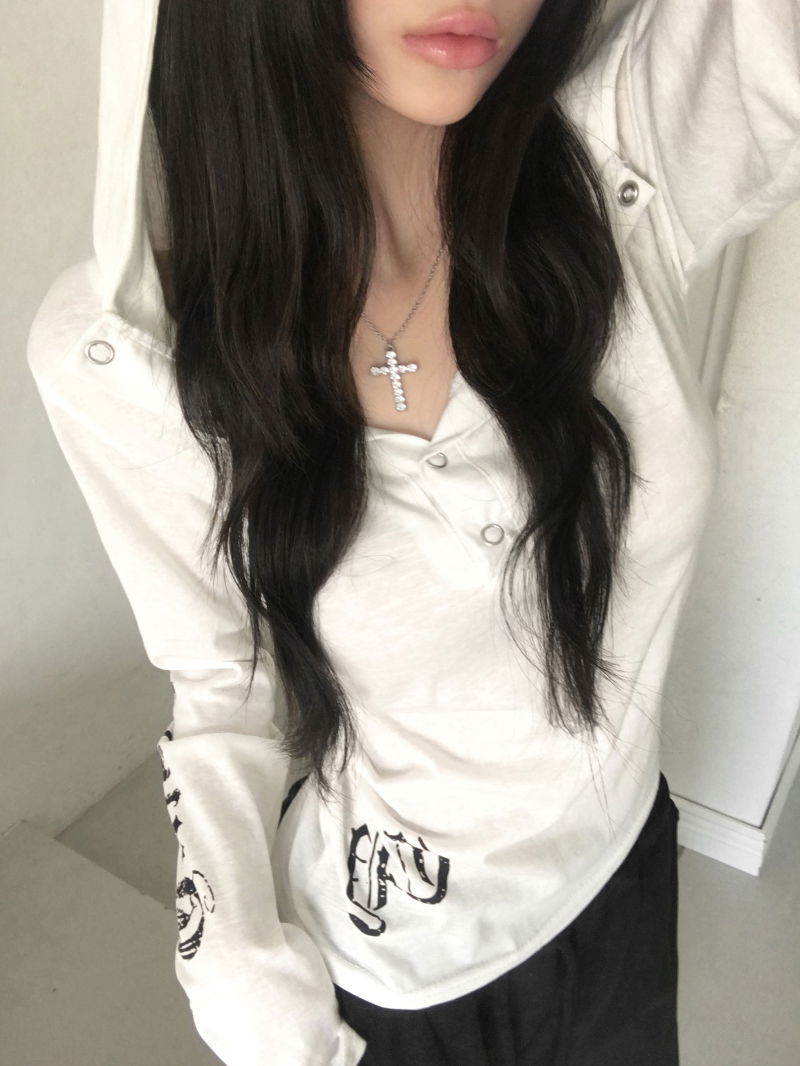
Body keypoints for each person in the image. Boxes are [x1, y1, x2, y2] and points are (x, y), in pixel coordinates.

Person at [25, 1, 800, 1064]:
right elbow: (223, 677)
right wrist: (229, 947)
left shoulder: (625, 159)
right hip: (398, 967)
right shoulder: (134, 358)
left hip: (621, 872)